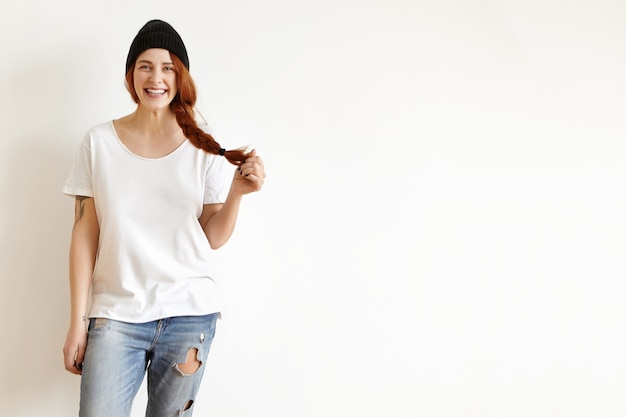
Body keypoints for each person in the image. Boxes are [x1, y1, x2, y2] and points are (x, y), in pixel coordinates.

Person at [61, 19, 265, 417]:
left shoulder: (202, 143)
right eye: (145, 66)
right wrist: (76, 322)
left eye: (168, 67)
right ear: (130, 76)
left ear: (181, 76)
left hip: (189, 315)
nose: (156, 78)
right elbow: (84, 235)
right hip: (115, 316)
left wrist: (236, 194)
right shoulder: (98, 142)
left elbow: (212, 237)